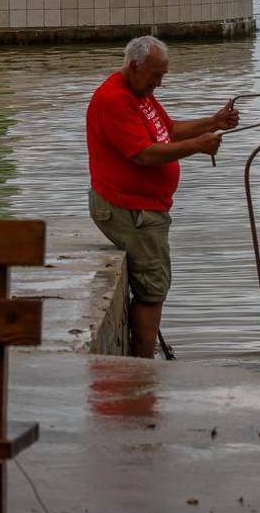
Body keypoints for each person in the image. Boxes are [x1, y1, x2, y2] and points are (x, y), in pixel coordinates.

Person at [86, 35, 239, 358]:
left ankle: (144, 357)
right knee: (152, 290)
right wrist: (198, 146)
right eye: (155, 75)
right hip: (130, 210)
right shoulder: (114, 99)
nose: (159, 83)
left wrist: (211, 122)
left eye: (162, 76)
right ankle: (143, 366)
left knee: (152, 287)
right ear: (133, 66)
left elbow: (166, 130)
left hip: (145, 208)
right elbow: (143, 154)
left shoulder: (140, 93)